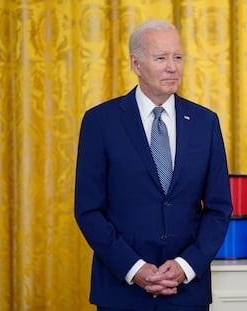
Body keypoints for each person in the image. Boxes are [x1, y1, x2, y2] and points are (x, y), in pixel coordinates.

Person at [74, 19, 232, 311]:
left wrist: (187, 265)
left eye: (178, 57)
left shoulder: (205, 122)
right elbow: (88, 210)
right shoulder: (100, 122)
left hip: (187, 293)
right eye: (161, 58)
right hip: (122, 292)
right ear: (136, 64)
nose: (173, 67)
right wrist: (135, 269)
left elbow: (219, 208)